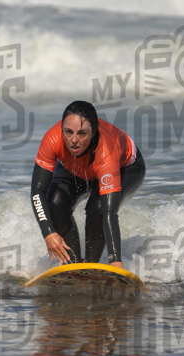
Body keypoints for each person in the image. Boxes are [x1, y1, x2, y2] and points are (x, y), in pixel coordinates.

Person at [30, 100, 145, 269]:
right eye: (68, 132)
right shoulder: (52, 139)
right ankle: (74, 265)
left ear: (93, 132)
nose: (74, 140)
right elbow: (37, 191)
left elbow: (109, 212)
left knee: (98, 208)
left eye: (82, 133)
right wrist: (49, 233)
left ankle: (91, 265)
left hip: (125, 167)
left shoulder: (106, 151)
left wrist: (115, 260)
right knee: (55, 202)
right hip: (76, 163)